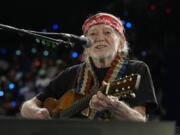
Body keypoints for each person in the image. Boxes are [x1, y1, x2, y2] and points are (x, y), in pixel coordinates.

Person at [20, 12, 157, 121]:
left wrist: (116, 106)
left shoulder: (137, 69)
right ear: (86, 46)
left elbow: (140, 120)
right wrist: (37, 112)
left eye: (107, 32)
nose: (99, 38)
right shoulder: (72, 73)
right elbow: (26, 107)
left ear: (121, 42)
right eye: (92, 34)